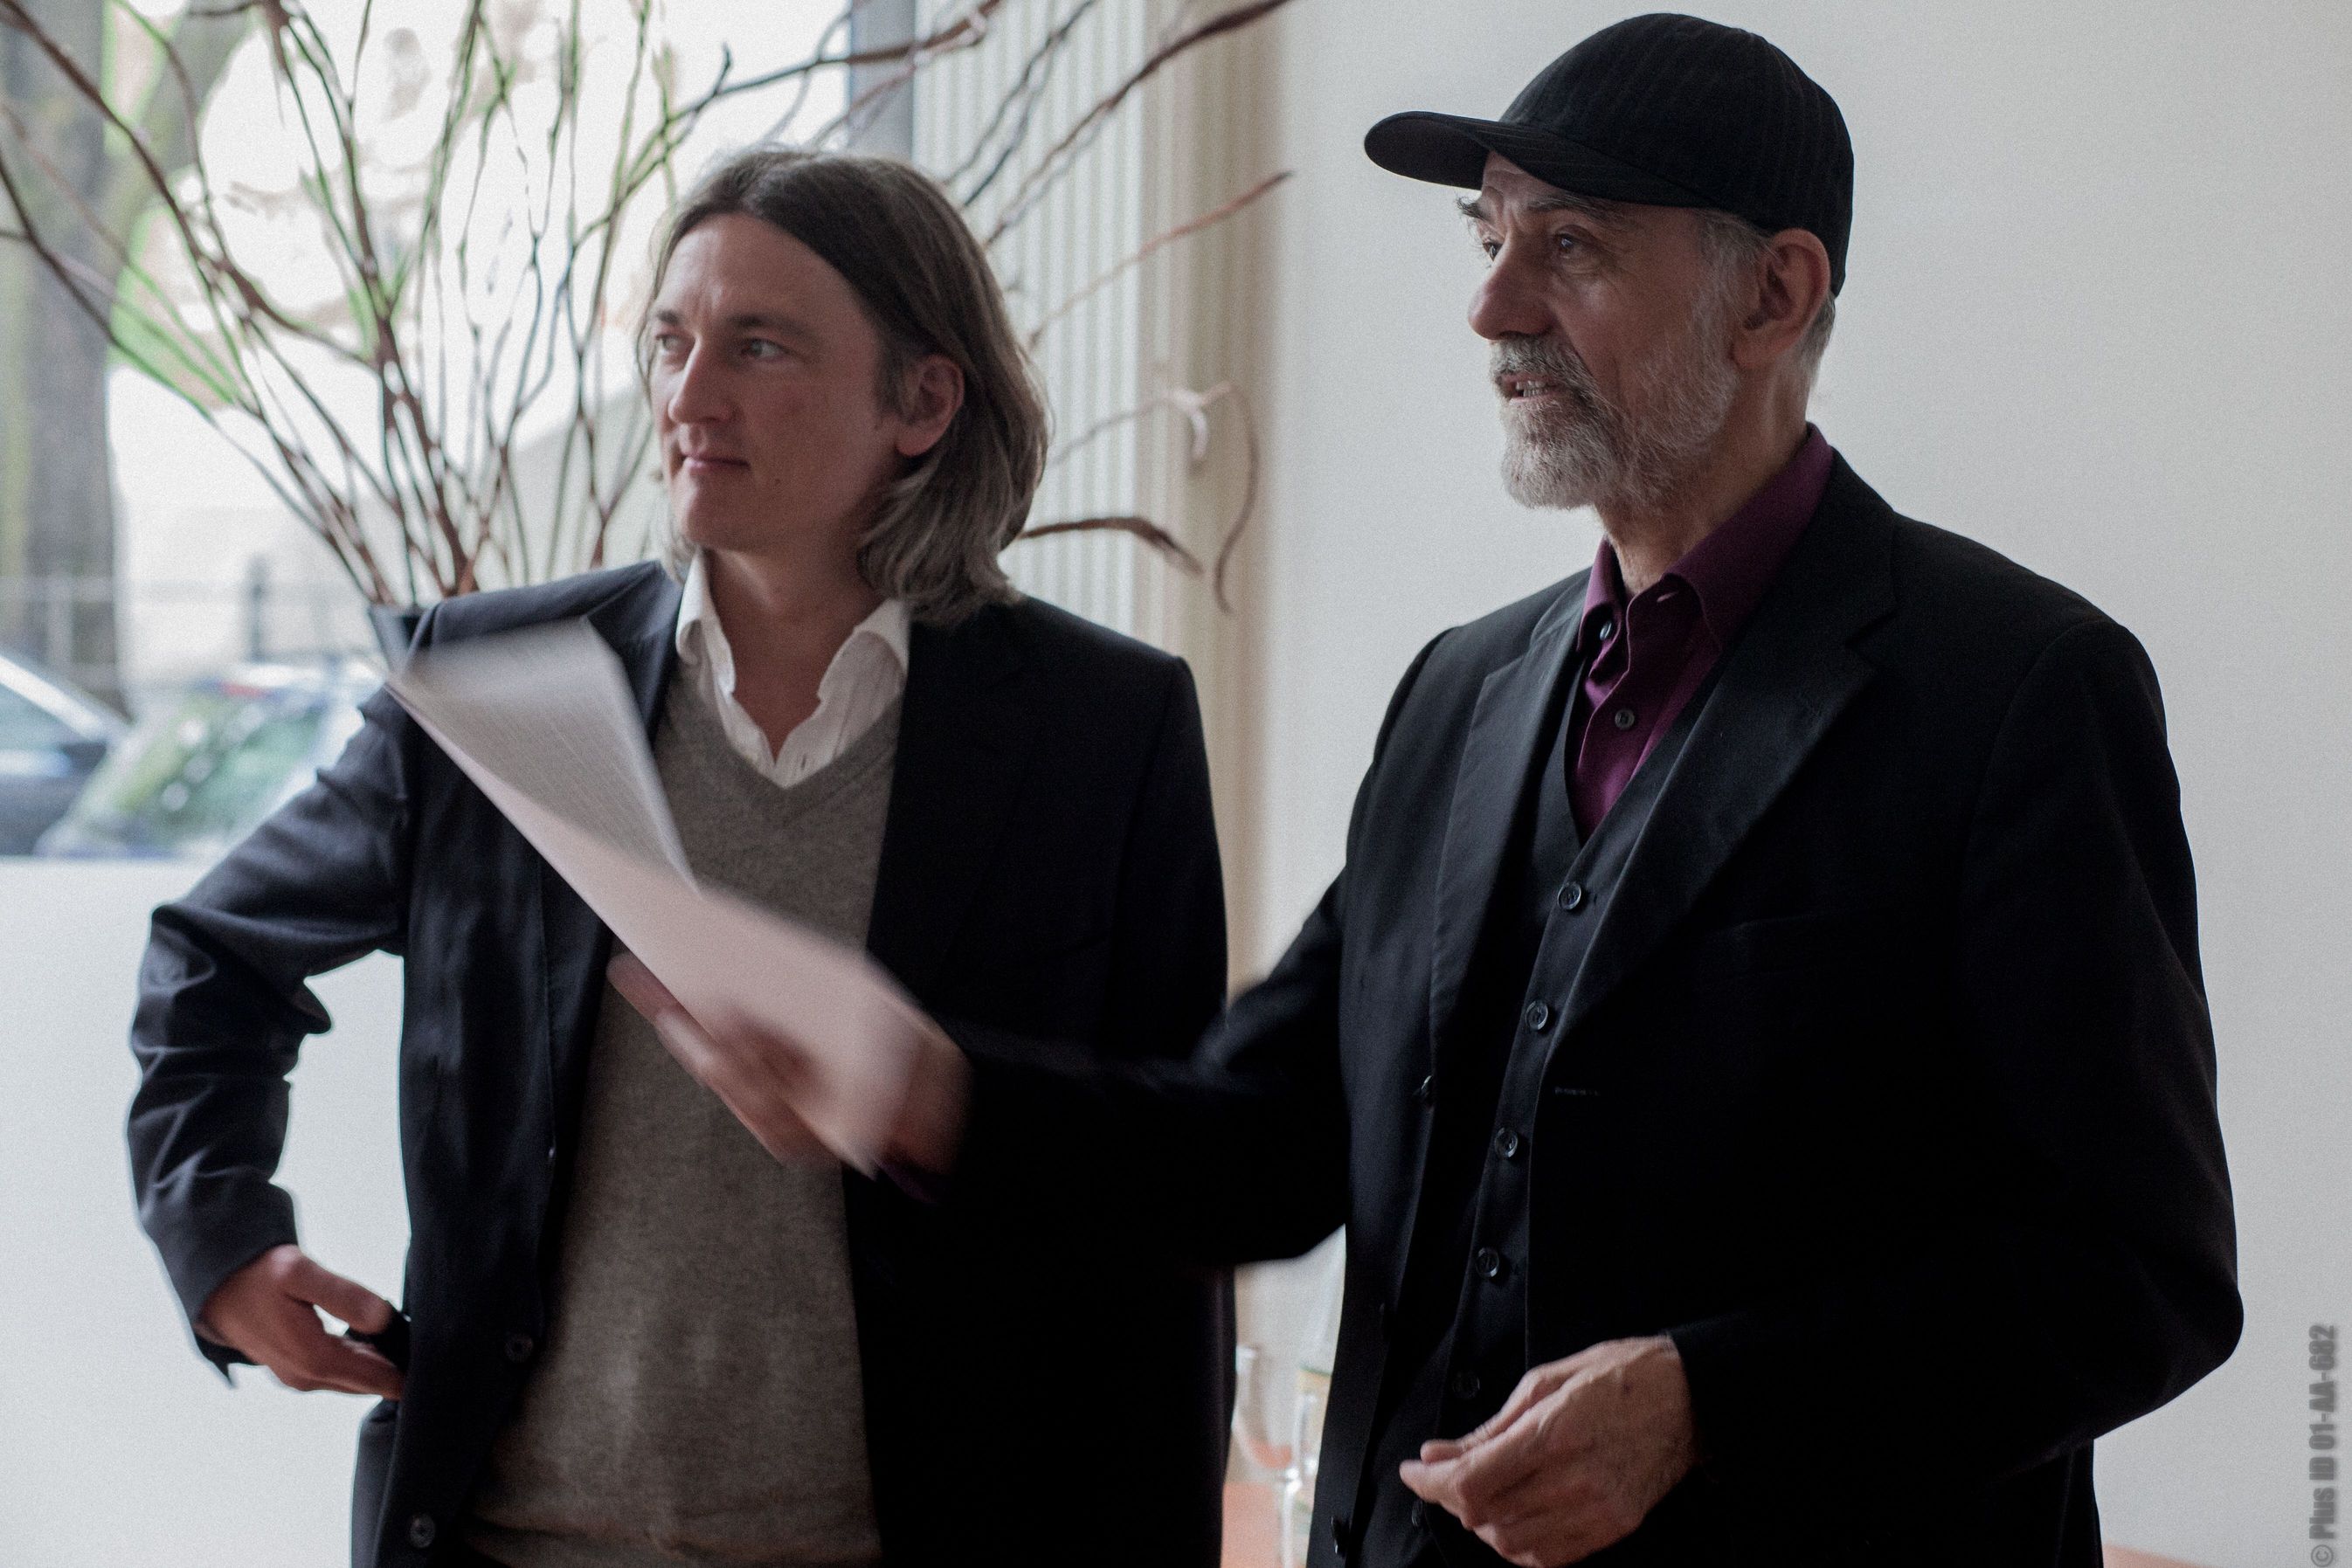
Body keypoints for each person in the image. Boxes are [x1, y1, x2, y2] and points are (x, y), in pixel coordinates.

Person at [633, 17, 2243, 1567]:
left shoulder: (2018, 694)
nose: (1492, 308)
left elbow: (2138, 1277)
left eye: (1572, 248)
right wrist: (930, 1093)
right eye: (1488, 239)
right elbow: (1265, 1145)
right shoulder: (1462, 696)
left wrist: (1707, 1403)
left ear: (1775, 294)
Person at [128, 149, 1234, 1568]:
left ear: (922, 403)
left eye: (758, 347)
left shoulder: (1104, 731)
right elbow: (213, 958)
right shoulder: (498, 691)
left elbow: (1165, 1204)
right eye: (670, 342)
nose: (688, 396)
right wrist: (220, 1236)